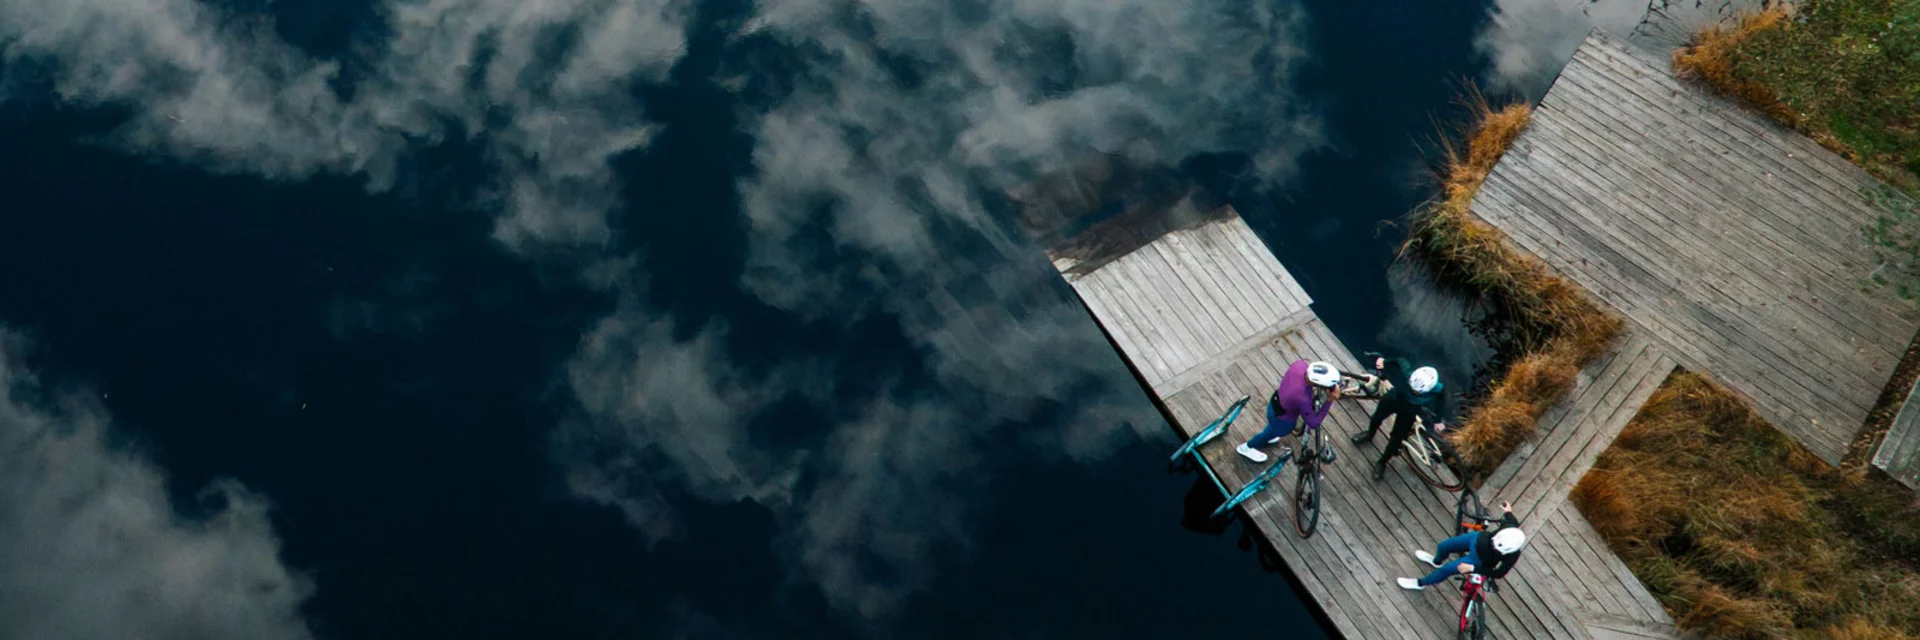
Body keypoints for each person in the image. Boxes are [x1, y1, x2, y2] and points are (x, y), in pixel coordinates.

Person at [1350, 353, 1452, 481]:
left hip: (1410, 410)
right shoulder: (1406, 372)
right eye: (1412, 388)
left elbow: (1441, 399)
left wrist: (1438, 420)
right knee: (1376, 417)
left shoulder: (1437, 388)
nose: (1413, 391)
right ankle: (1369, 434)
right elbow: (1399, 360)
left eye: (1417, 392)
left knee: (1396, 439)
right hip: (1394, 398)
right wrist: (1385, 361)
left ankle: (1382, 462)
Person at [1397, 501, 1526, 590]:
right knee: (1444, 546)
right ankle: (1436, 561)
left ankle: (1420, 583)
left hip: (1478, 560)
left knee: (1447, 569)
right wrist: (1508, 511)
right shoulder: (1510, 528)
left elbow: (1498, 573)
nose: (1493, 546)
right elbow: (1511, 519)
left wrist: (1472, 568)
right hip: (1476, 539)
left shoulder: (1513, 555)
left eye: (1496, 549)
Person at [1237, 360, 1343, 464]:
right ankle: (1246, 448)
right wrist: (1329, 400)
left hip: (1275, 402)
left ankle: (1270, 434)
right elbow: (1313, 423)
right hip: (1282, 421)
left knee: (1271, 430)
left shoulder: (1299, 365)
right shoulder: (1302, 397)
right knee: (1268, 434)